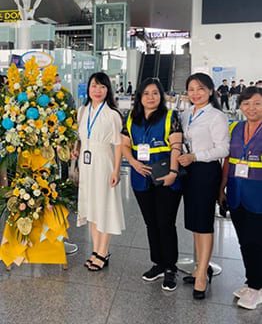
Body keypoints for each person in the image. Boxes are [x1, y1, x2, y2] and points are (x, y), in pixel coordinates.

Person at [121, 77, 182, 292]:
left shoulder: (170, 117)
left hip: (166, 177)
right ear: (139, 96)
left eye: (155, 93)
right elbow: (124, 145)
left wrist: (174, 172)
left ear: (162, 96)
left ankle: (170, 268)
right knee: (151, 223)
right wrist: (133, 162)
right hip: (141, 177)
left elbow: (176, 146)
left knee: (166, 223)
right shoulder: (130, 118)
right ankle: (158, 263)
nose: (150, 97)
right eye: (146, 93)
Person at [178, 73, 229, 300]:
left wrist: (195, 156)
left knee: (204, 223)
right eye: (191, 89)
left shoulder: (217, 116)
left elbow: (222, 149)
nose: (195, 93)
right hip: (188, 172)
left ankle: (201, 276)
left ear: (210, 90)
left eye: (200, 88)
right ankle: (200, 266)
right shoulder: (186, 113)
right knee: (195, 223)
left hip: (206, 172)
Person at [72, 72, 125, 271]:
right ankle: (96, 250)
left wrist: (116, 170)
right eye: (94, 86)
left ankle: (103, 252)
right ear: (88, 88)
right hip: (86, 165)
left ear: (108, 90)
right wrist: (76, 150)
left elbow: (118, 145)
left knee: (104, 207)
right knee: (91, 207)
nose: (97, 90)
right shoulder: (82, 110)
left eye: (102, 87)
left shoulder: (113, 114)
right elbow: (80, 136)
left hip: (103, 163)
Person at [219, 86, 262, 310]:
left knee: (255, 240)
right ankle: (252, 281)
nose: (251, 108)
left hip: (258, 195)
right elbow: (229, 159)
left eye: (256, 103)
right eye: (246, 104)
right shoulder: (235, 127)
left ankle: (257, 287)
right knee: (244, 240)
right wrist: (222, 187)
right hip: (236, 193)